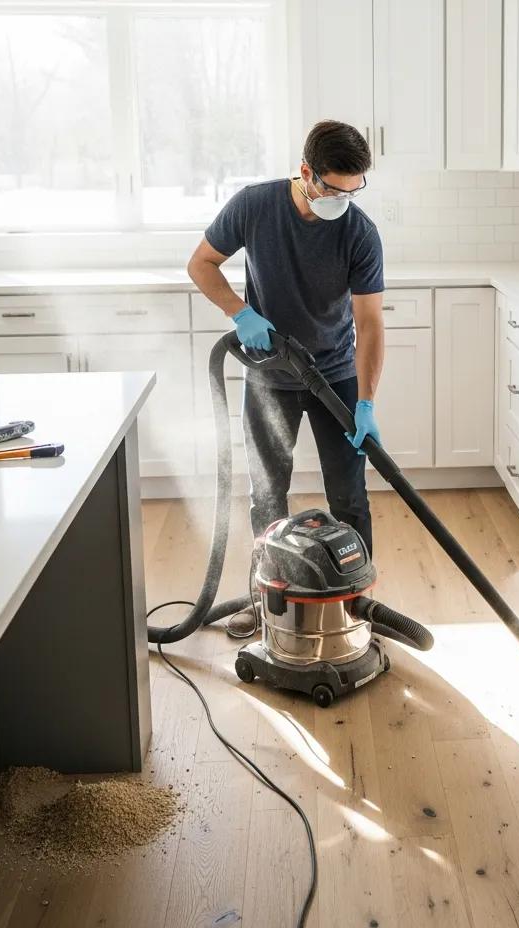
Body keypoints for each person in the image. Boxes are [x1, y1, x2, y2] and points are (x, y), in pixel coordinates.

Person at [188, 120, 385, 632]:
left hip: (335, 376)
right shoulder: (255, 207)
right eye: (332, 189)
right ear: (305, 172)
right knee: (267, 497)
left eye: (352, 190)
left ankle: (357, 607)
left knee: (349, 497)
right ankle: (265, 604)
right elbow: (201, 264)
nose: (341, 201)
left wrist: (365, 402)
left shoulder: (359, 232)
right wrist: (240, 312)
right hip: (270, 376)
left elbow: (369, 322)